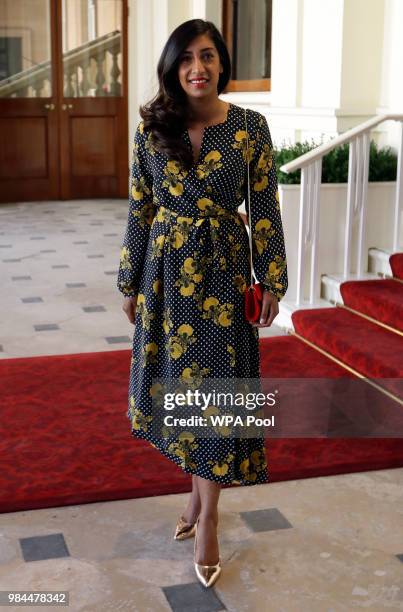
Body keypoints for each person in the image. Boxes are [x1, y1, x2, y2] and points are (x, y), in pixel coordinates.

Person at [117, 18, 288, 588]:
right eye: (187, 57)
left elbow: (264, 208)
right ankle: (194, 499)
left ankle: (208, 514)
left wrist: (274, 280)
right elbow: (141, 207)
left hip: (222, 278)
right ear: (173, 66)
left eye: (209, 55)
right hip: (165, 276)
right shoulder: (152, 127)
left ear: (222, 64)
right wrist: (129, 280)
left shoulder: (249, 128)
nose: (199, 67)